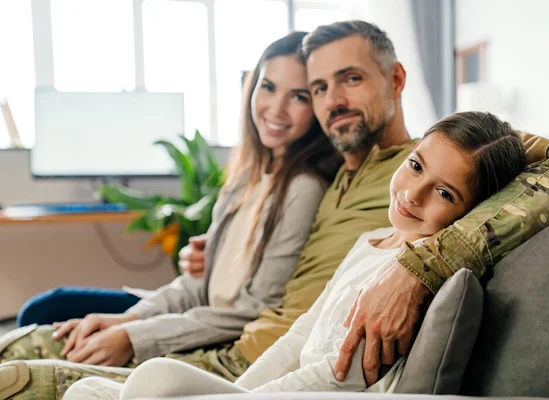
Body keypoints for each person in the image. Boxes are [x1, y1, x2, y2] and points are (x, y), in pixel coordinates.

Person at [0, 20, 549, 400]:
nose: (329, 101)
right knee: (45, 324)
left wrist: (423, 265)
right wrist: (211, 261)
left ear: (396, 78)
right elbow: (263, 283)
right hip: (255, 355)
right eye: (318, 88)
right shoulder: (336, 174)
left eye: (351, 79)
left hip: (263, 360)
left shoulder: (424, 168)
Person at [63, 111, 529, 399]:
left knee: (155, 380)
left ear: (473, 210)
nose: (413, 194)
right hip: (275, 390)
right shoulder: (371, 240)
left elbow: (341, 376)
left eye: (444, 192)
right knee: (87, 389)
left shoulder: (415, 273)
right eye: (415, 166)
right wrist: (239, 393)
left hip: (328, 395)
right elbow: (299, 334)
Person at [0, 30, 341, 372]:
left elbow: (249, 311)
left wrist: (133, 336)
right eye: (268, 87)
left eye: (298, 96)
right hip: (194, 307)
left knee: (47, 314)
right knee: (47, 309)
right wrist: (127, 320)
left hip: (215, 326)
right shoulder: (247, 175)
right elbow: (197, 285)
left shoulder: (302, 188)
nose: (276, 109)